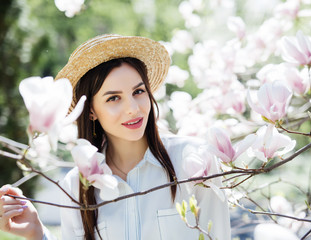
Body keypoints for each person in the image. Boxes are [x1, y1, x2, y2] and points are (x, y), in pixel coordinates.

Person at [0, 34, 231, 240]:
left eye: (138, 92)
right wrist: (37, 234)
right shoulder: (74, 186)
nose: (133, 108)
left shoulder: (195, 163)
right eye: (113, 98)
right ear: (90, 110)